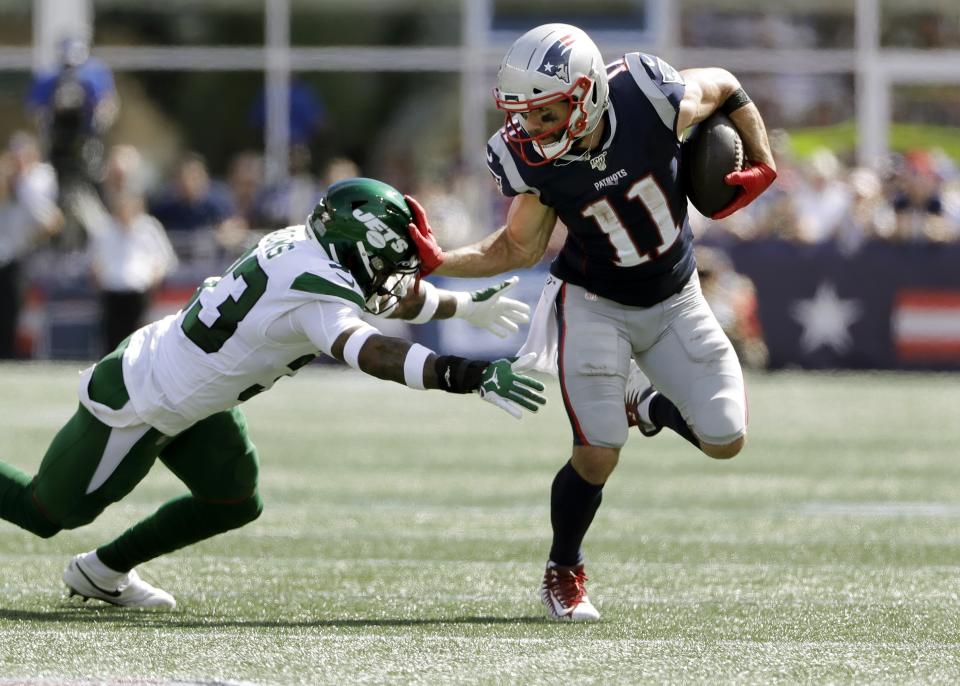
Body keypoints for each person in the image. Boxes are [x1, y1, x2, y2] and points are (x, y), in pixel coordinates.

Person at [0, 177, 544, 609]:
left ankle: (102, 571)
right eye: (386, 261)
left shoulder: (308, 245)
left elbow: (386, 296)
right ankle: (94, 562)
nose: (393, 275)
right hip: (142, 402)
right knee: (47, 512)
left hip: (193, 391)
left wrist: (464, 307)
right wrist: (466, 374)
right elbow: (375, 353)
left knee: (234, 497)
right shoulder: (317, 294)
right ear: (357, 249)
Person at [421, 24, 777, 620]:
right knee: (598, 450)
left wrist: (764, 161)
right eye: (522, 116)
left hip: (676, 298)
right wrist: (439, 261)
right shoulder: (532, 160)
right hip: (593, 303)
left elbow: (725, 85)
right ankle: (564, 568)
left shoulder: (647, 95)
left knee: (725, 438)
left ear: (586, 94)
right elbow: (517, 249)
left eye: (544, 113)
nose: (530, 130)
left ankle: (648, 404)